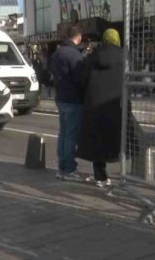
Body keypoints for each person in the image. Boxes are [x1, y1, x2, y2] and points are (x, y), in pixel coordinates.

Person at [76, 29, 124, 187]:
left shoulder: (94, 56)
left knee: (97, 140)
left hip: (95, 103)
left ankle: (101, 176)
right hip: (116, 103)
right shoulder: (125, 56)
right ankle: (125, 178)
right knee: (120, 138)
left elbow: (82, 79)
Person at [49, 25, 87, 181]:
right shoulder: (75, 55)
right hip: (73, 99)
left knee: (63, 134)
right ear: (78, 38)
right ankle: (70, 169)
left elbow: (50, 72)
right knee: (71, 135)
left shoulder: (57, 53)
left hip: (61, 97)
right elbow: (80, 79)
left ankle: (62, 167)